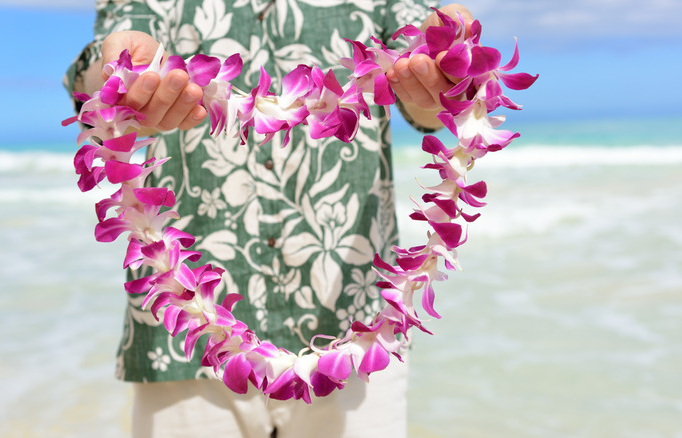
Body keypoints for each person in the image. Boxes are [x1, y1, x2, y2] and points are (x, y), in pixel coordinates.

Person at [64, 1, 473, 437]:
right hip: (185, 336)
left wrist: (443, 61)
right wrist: (122, 77)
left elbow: (422, 94)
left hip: (358, 329)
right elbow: (114, 50)